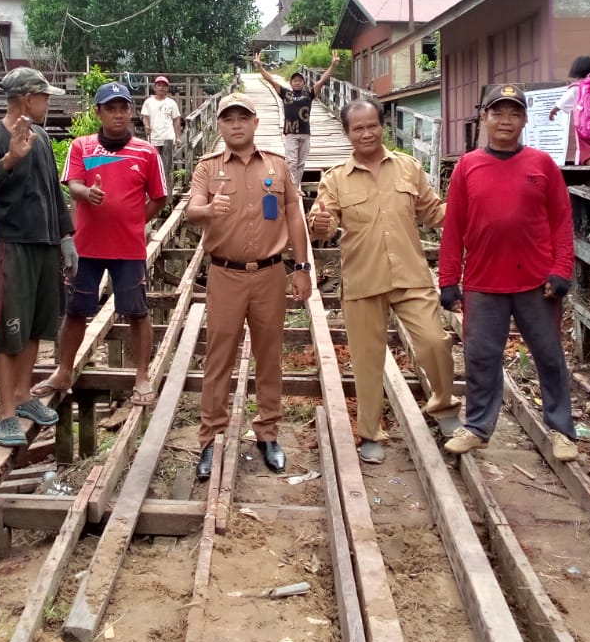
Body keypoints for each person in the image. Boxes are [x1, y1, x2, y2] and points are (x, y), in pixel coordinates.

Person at [308, 97, 456, 464]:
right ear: (347, 133)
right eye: (358, 128)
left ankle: (444, 404)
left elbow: (434, 211)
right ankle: (371, 432)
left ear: (382, 126)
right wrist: (321, 223)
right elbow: (323, 220)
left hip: (410, 275)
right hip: (363, 279)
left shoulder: (408, 168)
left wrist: (471, 211)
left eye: (372, 125)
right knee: (367, 360)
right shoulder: (335, 179)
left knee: (435, 341)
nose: (366, 133)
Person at [438, 83, 579, 463]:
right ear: (484, 118)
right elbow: (453, 228)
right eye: (498, 113)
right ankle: (478, 427)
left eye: (514, 113)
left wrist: (560, 270)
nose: (505, 120)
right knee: (481, 357)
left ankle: (562, 430)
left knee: (549, 356)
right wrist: (449, 280)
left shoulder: (542, 165)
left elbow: (562, 223)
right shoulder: (467, 166)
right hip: (484, 281)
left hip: (536, 282)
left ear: (524, 120)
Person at [188, 91, 313, 480]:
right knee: (219, 357)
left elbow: (294, 211)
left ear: (256, 122)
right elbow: (192, 209)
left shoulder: (276, 166)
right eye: (229, 119)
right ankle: (210, 438)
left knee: (269, 354)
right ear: (220, 125)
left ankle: (268, 433)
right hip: (225, 273)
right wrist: (208, 210)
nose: (236, 124)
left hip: (270, 274)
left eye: (243, 117)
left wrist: (303, 266)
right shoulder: (208, 169)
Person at [40, 82, 167, 406]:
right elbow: (73, 184)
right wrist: (87, 194)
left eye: (123, 108)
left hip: (128, 248)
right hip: (87, 247)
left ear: (131, 112)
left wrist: (136, 221)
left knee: (137, 312)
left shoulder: (146, 151)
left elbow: (159, 197)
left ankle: (141, 376)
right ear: (98, 112)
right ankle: (64, 370)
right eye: (111, 108)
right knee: (76, 311)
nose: (118, 114)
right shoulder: (82, 146)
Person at [0, 67, 76, 448]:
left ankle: (24, 395)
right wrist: (10, 159)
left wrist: (66, 236)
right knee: (7, 331)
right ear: (27, 99)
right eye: (45, 97)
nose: (49, 103)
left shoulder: (44, 138)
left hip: (44, 244)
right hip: (12, 245)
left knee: (35, 325)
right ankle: (6, 413)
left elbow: (52, 189)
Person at [256, 51, 339, 186]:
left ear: (303, 83)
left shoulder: (309, 94)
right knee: (292, 162)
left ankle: (296, 186)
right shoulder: (285, 94)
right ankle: (293, 188)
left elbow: (322, 80)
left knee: (301, 163)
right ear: (291, 83)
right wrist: (260, 67)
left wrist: (333, 66)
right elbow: (271, 80)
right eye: (295, 81)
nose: (297, 83)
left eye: (300, 81)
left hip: (305, 133)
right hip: (291, 134)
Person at [548, 55, 590, 166]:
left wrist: (553, 111)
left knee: (586, 156)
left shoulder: (578, 88)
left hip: (585, 129)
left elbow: (562, 103)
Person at [140, 75, 183, 184]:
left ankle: (167, 191)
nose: (161, 88)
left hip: (168, 138)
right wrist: (146, 125)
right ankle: (156, 188)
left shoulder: (171, 103)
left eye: (164, 86)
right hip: (154, 138)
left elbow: (176, 120)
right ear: (154, 88)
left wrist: (178, 137)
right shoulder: (149, 102)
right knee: (154, 164)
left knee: (167, 166)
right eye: (159, 85)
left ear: (167, 89)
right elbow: (145, 117)